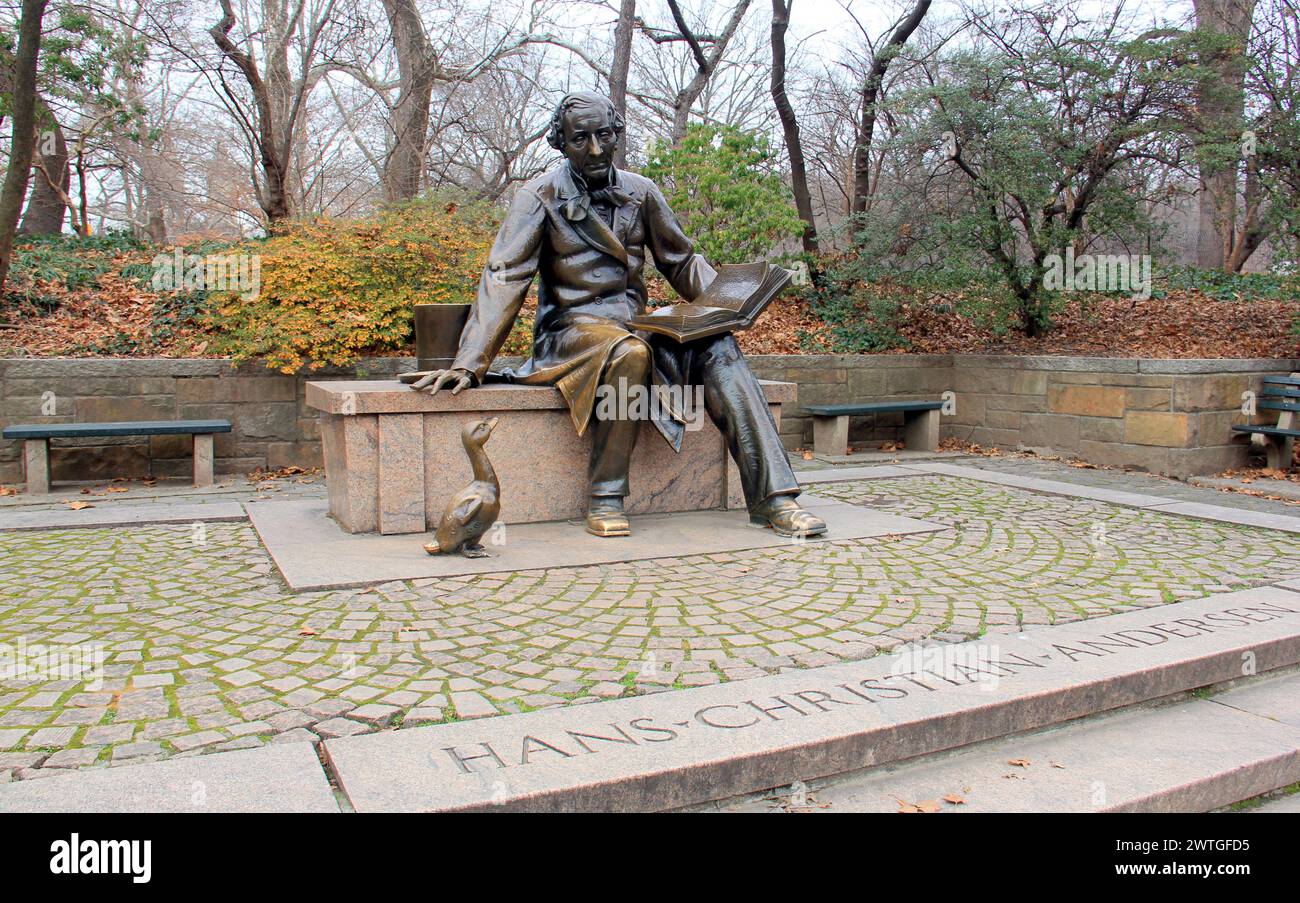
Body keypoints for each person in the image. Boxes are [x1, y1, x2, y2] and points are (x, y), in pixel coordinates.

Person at [403, 91, 826, 540]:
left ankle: (775, 499)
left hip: (634, 324)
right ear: (561, 143)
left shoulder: (641, 191)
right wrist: (470, 360)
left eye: (604, 135)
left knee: (719, 345)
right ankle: (605, 494)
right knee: (628, 352)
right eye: (581, 139)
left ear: (617, 133)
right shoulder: (540, 196)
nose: (596, 149)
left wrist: (726, 304)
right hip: (571, 330)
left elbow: (680, 261)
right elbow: (505, 275)